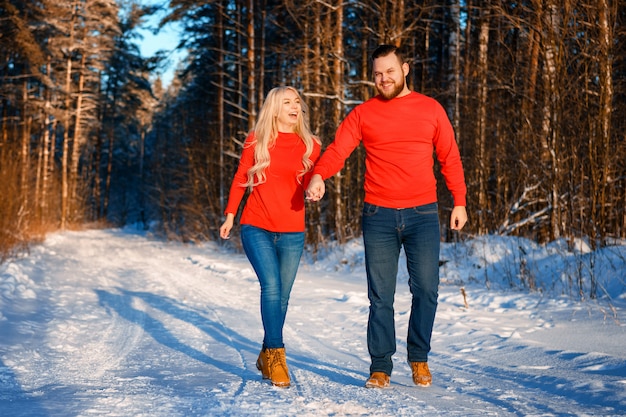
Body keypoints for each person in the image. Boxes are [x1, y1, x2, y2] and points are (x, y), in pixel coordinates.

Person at [306, 44, 468, 389]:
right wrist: (320, 175)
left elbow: (449, 157)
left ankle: (419, 358)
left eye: (390, 71)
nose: (383, 79)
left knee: (426, 289)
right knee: (381, 296)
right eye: (377, 73)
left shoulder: (430, 109)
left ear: (405, 69)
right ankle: (380, 365)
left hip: (423, 214)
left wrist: (459, 201)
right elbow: (338, 149)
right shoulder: (363, 114)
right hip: (378, 215)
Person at [220, 86, 321, 388]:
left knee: (283, 296)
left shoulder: (311, 145)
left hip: (293, 230)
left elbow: (316, 179)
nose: (295, 106)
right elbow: (241, 178)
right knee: (272, 286)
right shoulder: (257, 139)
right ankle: (277, 355)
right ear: (274, 108)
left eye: (297, 102)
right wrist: (230, 214)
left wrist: (316, 187)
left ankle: (266, 351)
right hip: (256, 225)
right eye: (287, 102)